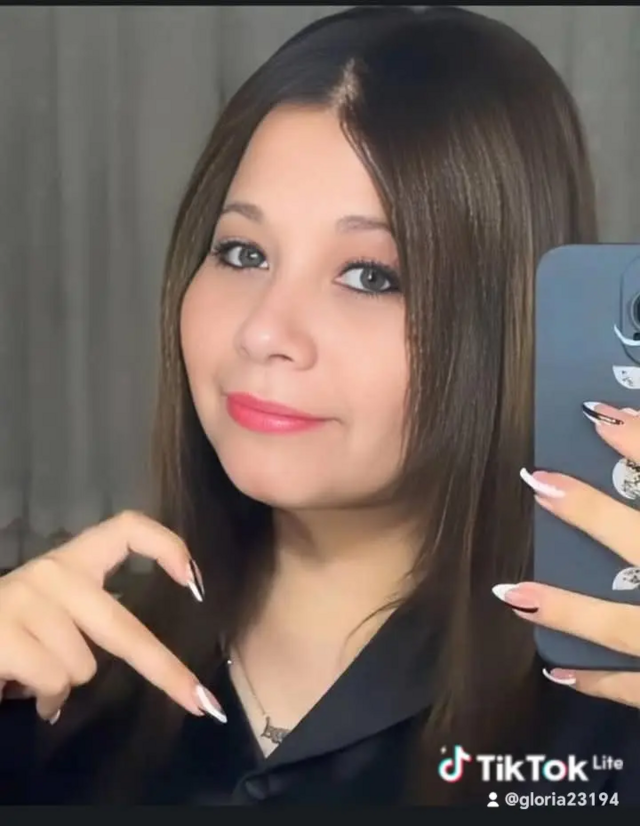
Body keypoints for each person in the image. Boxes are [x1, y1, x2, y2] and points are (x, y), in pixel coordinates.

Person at [0, 5, 639, 806]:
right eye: (243, 252)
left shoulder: (607, 717)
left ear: (507, 320)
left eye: (370, 276)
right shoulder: (42, 668)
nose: (265, 331)